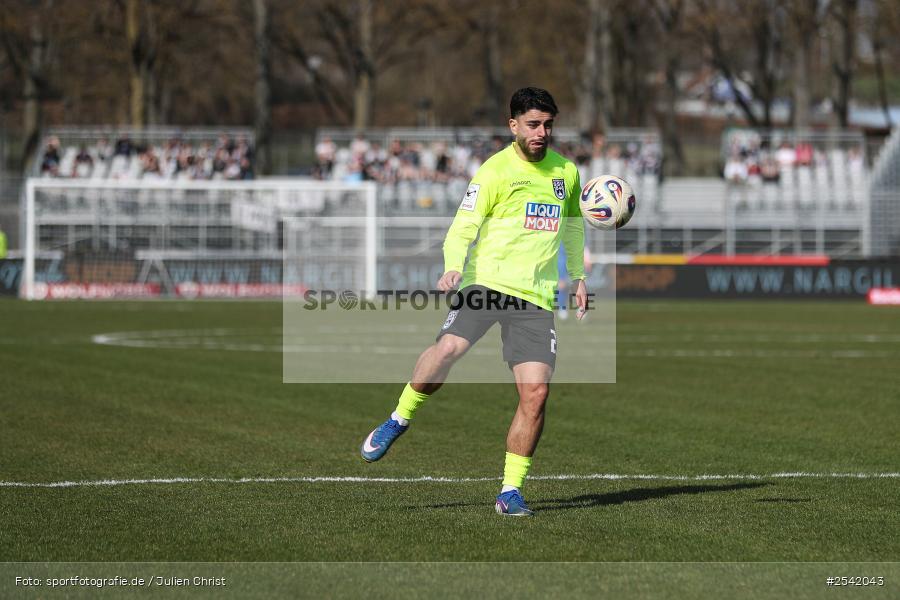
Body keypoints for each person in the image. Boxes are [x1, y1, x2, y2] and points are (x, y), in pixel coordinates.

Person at [359, 87, 588, 517]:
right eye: (534, 124)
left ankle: (510, 492)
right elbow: (464, 225)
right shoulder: (494, 171)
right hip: (486, 284)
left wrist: (576, 277)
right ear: (514, 126)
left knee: (536, 394)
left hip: (535, 297)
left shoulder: (567, 173)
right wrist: (452, 266)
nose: (542, 132)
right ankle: (399, 418)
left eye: (548, 125)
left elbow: (573, 226)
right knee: (448, 350)